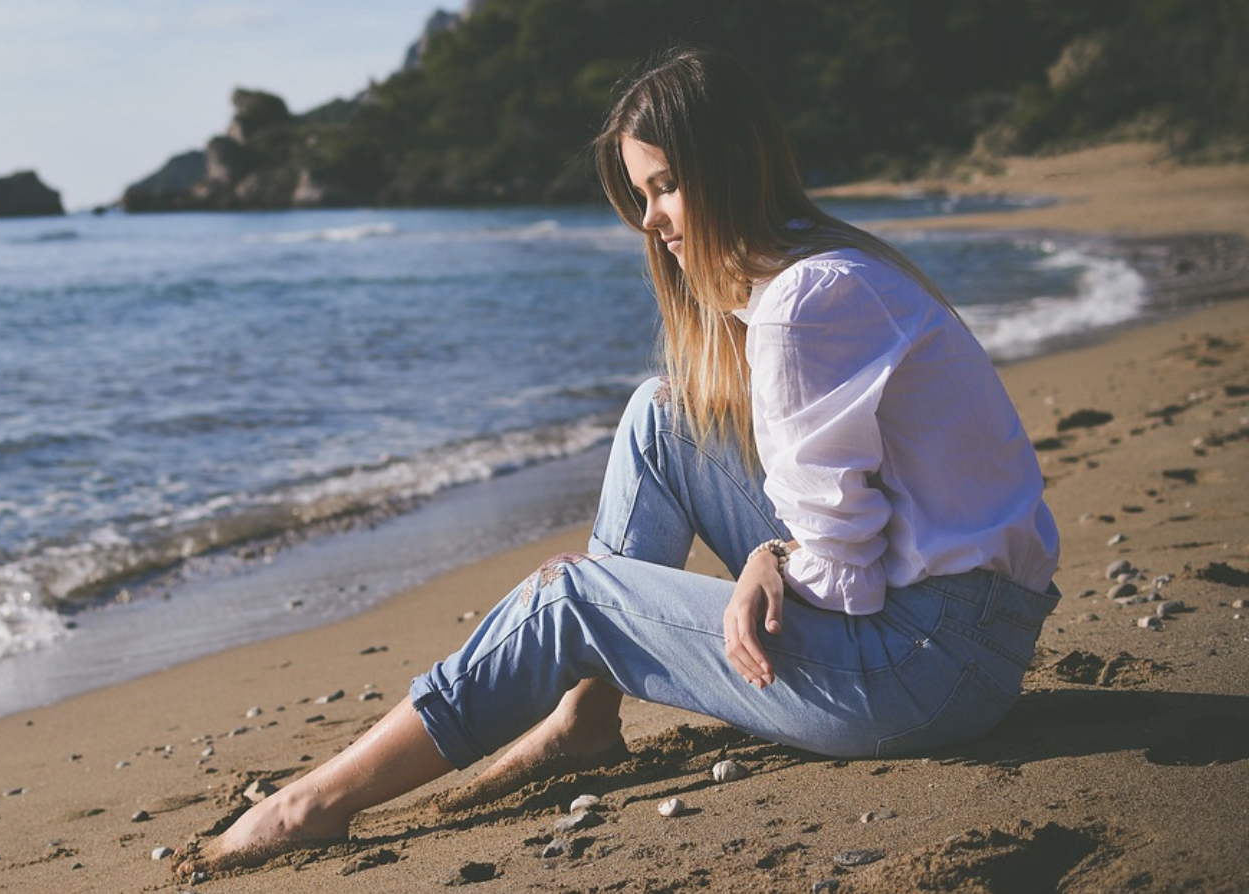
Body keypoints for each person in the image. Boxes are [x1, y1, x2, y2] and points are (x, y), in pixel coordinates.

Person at [177, 45, 1060, 877]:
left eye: (668, 186)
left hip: (925, 669)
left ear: (730, 167)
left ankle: (314, 802)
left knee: (570, 599)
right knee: (661, 415)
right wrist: (778, 557)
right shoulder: (827, 270)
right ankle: (584, 718)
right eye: (643, 192)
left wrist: (771, 558)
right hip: (962, 633)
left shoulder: (802, 306)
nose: (649, 219)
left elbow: (846, 578)